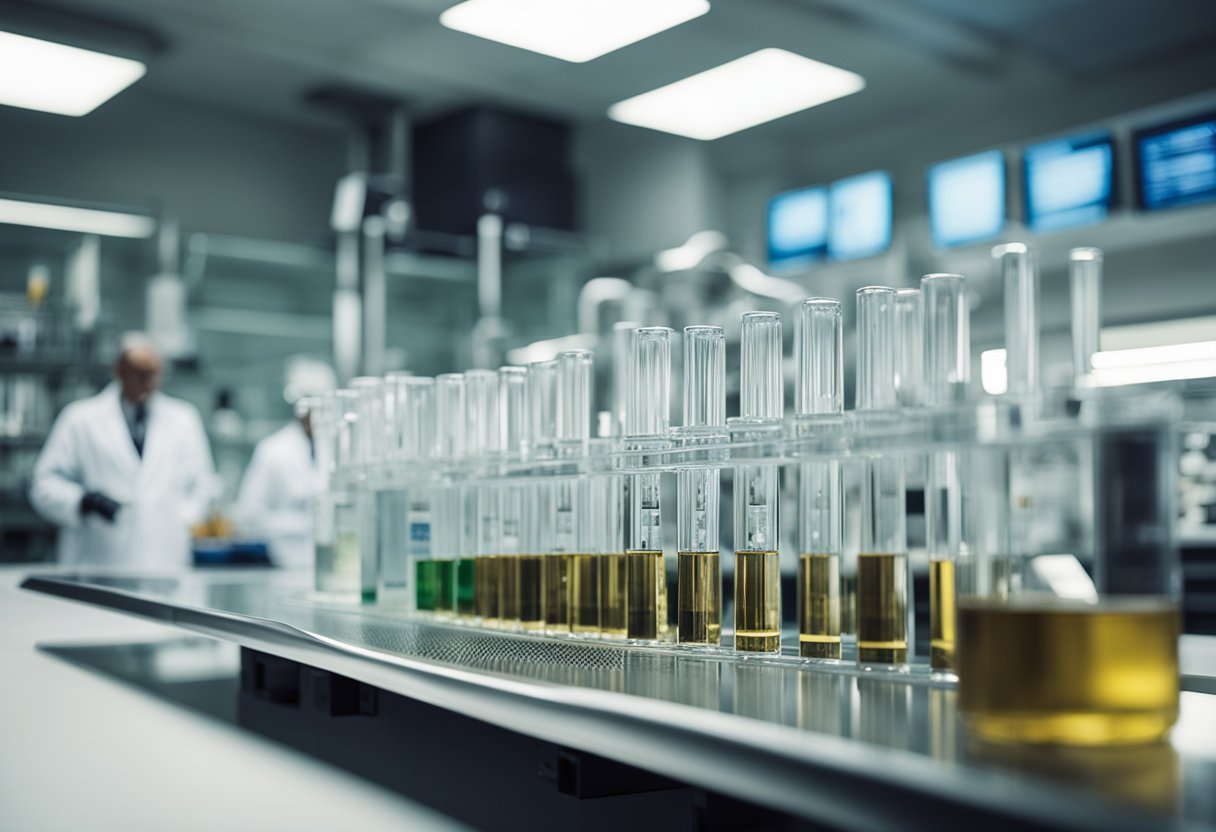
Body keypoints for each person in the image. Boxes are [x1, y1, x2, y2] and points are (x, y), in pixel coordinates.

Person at [29, 333, 215, 568]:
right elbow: (44, 484)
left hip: (164, 558)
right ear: (119, 371)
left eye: (154, 374)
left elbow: (203, 485)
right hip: (98, 557)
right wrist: (84, 502)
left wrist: (178, 520)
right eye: (140, 375)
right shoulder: (79, 419)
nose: (149, 383)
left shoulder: (184, 419)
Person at [234, 397, 324, 570]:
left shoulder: (338, 447)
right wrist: (298, 524)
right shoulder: (272, 450)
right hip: (281, 562)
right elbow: (248, 514)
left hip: (329, 566)